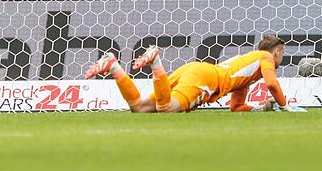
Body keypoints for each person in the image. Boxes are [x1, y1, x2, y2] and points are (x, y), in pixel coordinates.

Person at [86, 35, 305, 113]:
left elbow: (236, 107)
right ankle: (156, 62)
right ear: (276, 52)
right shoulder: (265, 58)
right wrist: (284, 106)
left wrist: (260, 109)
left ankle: (114, 67)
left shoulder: (248, 69)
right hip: (206, 79)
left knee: (139, 108)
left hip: (195, 69)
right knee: (167, 109)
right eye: (281, 53)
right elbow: (273, 85)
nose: (281, 58)